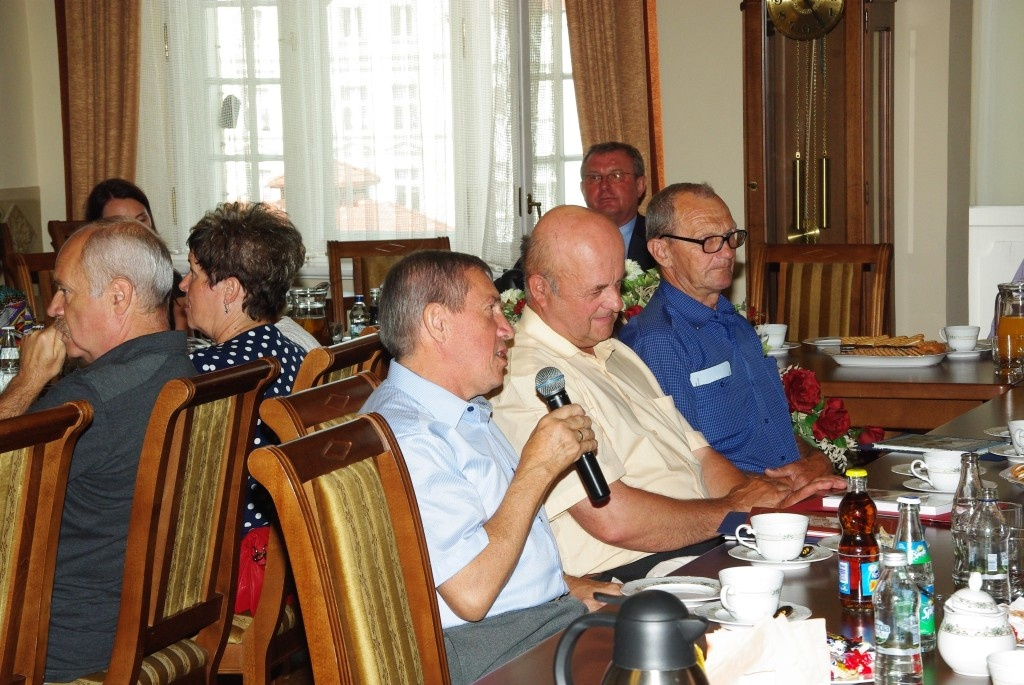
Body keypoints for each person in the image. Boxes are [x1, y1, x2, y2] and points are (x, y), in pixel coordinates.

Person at [490, 205, 844, 581]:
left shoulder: (615, 351)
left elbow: (701, 455)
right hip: (636, 568)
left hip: (707, 539)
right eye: (597, 290)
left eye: (617, 283)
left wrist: (766, 501)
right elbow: (612, 519)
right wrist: (733, 511)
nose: (616, 303)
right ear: (541, 289)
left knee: (853, 557)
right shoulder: (531, 379)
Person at [362, 250, 618, 685]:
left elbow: (491, 542)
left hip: (536, 622)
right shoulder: (409, 436)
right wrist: (537, 469)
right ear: (437, 323)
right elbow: (471, 593)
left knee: (687, 628)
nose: (507, 329)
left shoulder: (463, 410)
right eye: (491, 310)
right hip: (490, 652)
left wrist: (563, 586)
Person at [0, 218, 196, 681]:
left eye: (66, 290)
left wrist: (27, 383)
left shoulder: (89, 403)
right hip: (146, 622)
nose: (52, 307)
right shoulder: (180, 367)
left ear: (119, 296)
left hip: (58, 642)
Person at [618, 182, 834, 483]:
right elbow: (683, 466)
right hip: (738, 513)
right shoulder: (659, 341)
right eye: (708, 240)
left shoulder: (735, 323)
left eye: (731, 237)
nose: (727, 252)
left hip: (787, 495)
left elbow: (770, 433)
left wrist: (815, 460)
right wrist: (782, 489)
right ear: (662, 251)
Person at [180, 201, 306, 564]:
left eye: (194, 273)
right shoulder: (293, 353)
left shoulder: (203, 377)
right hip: (281, 549)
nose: (184, 284)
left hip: (227, 565)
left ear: (230, 291)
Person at [494, 141, 655, 291]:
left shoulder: (660, 241)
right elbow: (510, 291)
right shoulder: (557, 240)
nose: (604, 186)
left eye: (616, 176)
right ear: (582, 188)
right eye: (594, 177)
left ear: (640, 185)